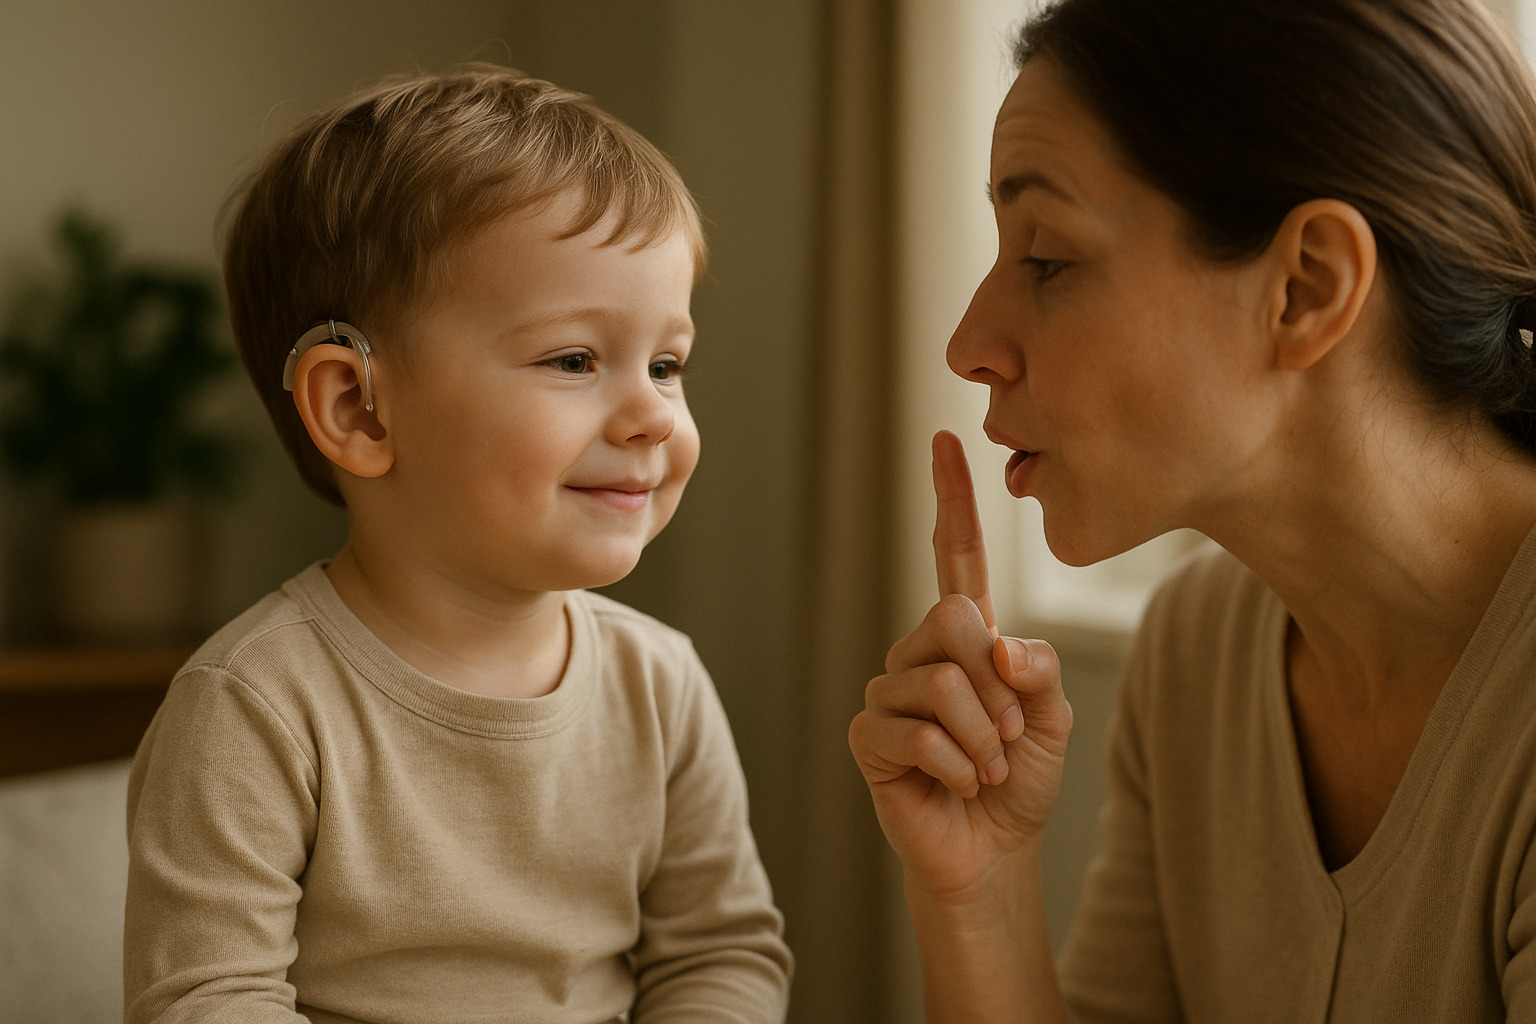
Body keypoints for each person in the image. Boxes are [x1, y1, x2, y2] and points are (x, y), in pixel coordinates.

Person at [849, 0, 1536, 1019]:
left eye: (1046, 258)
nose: (970, 343)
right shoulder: (1196, 649)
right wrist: (979, 889)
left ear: (1306, 287)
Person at [124, 67, 792, 1023]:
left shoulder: (662, 685)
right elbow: (206, 1001)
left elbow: (720, 956)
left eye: (667, 363)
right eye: (574, 359)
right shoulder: (253, 706)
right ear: (356, 406)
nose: (653, 413)